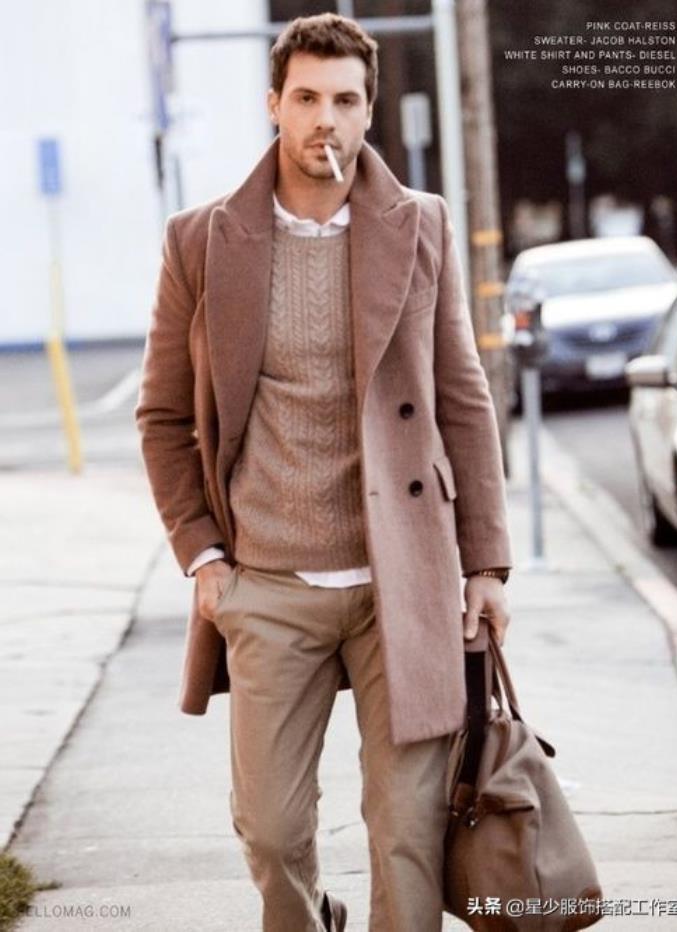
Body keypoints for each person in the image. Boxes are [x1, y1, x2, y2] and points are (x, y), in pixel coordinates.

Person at [135, 12, 512, 932]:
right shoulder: (201, 240)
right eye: (305, 98)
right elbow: (163, 417)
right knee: (269, 833)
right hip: (267, 583)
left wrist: (487, 565)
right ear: (274, 105)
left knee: (407, 832)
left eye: (345, 101)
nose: (325, 120)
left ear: (368, 111)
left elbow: (463, 401)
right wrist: (204, 558)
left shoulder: (422, 226)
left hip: (401, 580)